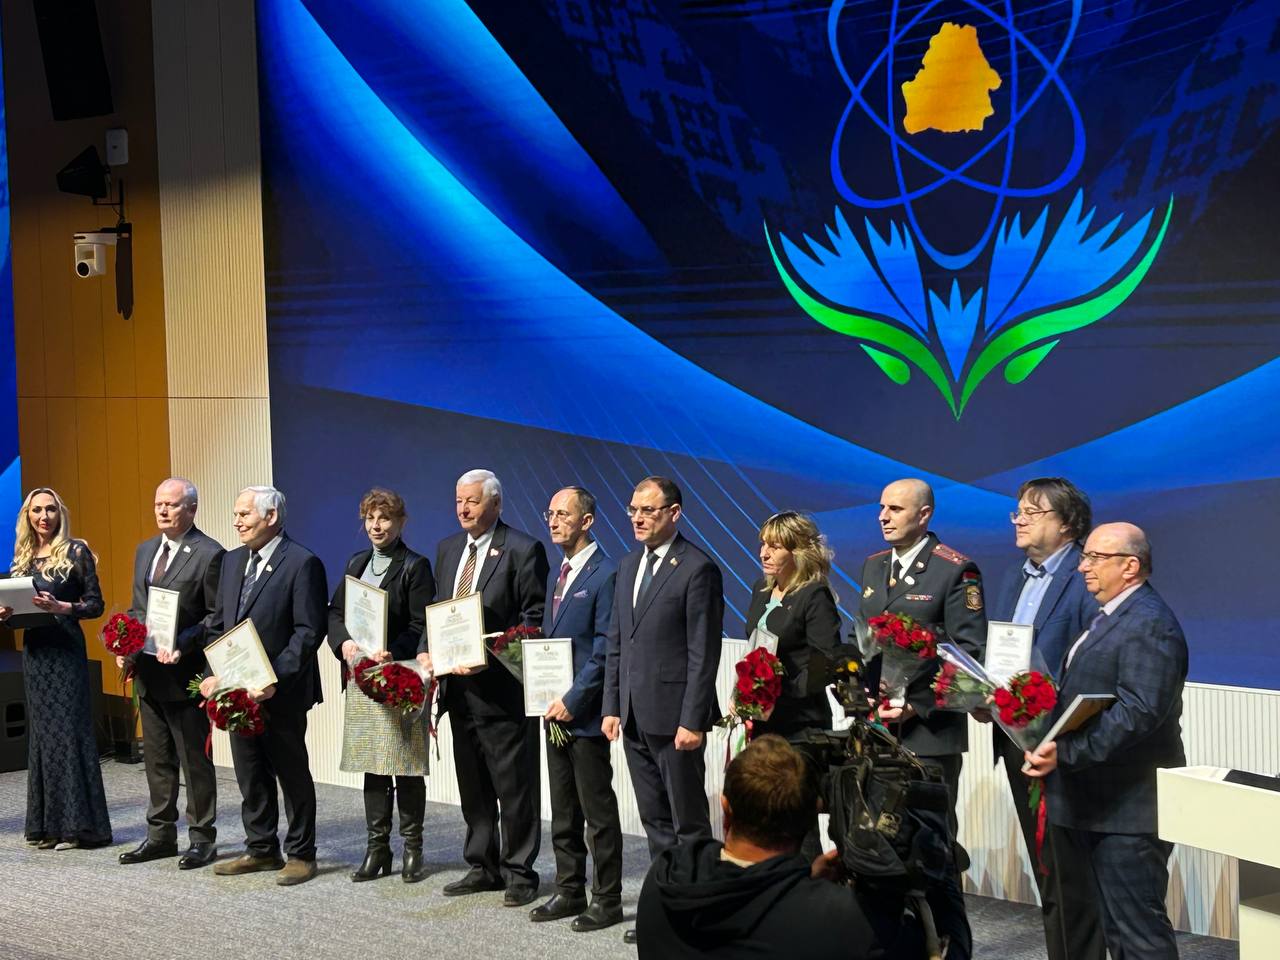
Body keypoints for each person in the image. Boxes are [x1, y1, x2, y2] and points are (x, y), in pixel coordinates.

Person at [1024, 522, 1186, 960]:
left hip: (1127, 811)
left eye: (1096, 558)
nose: (1084, 567)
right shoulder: (1111, 615)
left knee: (1137, 934)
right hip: (1096, 804)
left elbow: (1139, 713)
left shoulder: (1149, 623)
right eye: (1085, 557)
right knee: (1115, 930)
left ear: (1130, 566)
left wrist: (1065, 752)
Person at [857, 477, 983, 960]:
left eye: (895, 508)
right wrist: (863, 691)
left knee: (934, 852)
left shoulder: (955, 570)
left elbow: (969, 659)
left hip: (929, 737)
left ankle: (953, 948)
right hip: (880, 734)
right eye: (881, 507)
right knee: (882, 848)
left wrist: (918, 703)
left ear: (924, 515)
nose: (883, 516)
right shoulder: (873, 566)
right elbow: (866, 643)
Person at [416, 469, 549, 906]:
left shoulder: (523, 549)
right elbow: (437, 610)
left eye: (472, 501)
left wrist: (488, 654)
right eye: (458, 501)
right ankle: (482, 865)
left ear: (495, 504)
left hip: (501, 690)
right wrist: (425, 651)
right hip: (458, 689)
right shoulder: (448, 549)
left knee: (514, 787)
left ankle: (520, 873)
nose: (463, 509)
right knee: (473, 785)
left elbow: (533, 622)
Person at [603, 476, 723, 945]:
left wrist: (693, 719)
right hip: (633, 715)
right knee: (654, 821)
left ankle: (697, 916)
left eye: (648, 510)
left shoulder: (697, 568)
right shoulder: (628, 564)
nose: (637, 518)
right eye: (633, 509)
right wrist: (612, 705)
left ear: (674, 513)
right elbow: (618, 642)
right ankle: (667, 910)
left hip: (676, 721)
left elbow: (703, 653)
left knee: (687, 823)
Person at [636, 734, 883, 959]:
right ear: (810, 819)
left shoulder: (663, 880)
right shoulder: (838, 920)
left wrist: (801, 883)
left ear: (725, 808)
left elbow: (748, 896)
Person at [990, 478, 1104, 960]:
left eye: (1032, 512)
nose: (1019, 520)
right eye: (1017, 511)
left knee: (1072, 879)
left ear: (1067, 524)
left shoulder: (1086, 578)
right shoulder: (1015, 576)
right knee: (1047, 873)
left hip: (1062, 745)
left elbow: (1094, 664)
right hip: (1016, 738)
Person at [200, 485, 328, 886]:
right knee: (249, 772)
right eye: (236, 514)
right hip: (237, 691)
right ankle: (261, 849)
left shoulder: (302, 562)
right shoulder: (232, 560)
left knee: (291, 773)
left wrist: (272, 678)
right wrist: (213, 674)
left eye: (244, 514)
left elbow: (308, 632)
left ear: (270, 517)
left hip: (281, 692)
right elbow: (218, 624)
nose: (236, 522)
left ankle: (301, 854)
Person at [327, 488, 435, 882]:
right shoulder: (356, 563)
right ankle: (377, 849)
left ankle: (412, 849)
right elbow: (335, 613)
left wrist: (392, 652)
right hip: (363, 677)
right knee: (372, 767)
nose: (376, 525)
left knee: (404, 765)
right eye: (370, 518)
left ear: (401, 522)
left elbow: (421, 624)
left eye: (385, 518)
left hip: (399, 677)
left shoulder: (415, 566)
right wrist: (345, 644)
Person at [529, 485, 624, 931]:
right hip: (554, 712)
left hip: (584, 713)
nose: (553, 521)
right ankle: (569, 889)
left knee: (597, 812)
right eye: (550, 514)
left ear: (587, 521)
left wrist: (573, 700)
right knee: (563, 809)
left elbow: (605, 649)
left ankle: (607, 899)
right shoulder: (558, 571)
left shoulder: (607, 573)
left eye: (563, 514)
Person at [117, 477, 224, 869]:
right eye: (158, 503)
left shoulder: (210, 554)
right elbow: (138, 608)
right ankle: (160, 836)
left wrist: (183, 643)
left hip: (186, 674)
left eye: (172, 504)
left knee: (194, 762)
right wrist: (127, 646)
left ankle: (202, 838)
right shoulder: (146, 550)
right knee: (157, 760)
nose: (162, 510)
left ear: (191, 509)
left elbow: (215, 617)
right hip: (149, 672)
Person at [2, 488, 111, 850]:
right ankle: (48, 826)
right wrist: (6, 615)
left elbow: (95, 605)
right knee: (44, 738)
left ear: (59, 513)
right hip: (36, 653)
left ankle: (78, 828)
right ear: (27, 516)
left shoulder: (76, 551)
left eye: (50, 509)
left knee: (68, 734)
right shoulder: (22, 558)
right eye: (37, 510)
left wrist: (62, 607)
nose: (44, 516)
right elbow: (18, 613)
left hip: (65, 651)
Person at [742, 511, 842, 857]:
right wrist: (747, 696)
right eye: (763, 544)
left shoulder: (814, 595)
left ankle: (810, 886)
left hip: (801, 727)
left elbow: (824, 664)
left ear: (797, 551)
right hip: (764, 725)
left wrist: (778, 695)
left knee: (798, 822)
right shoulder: (760, 589)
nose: (764, 553)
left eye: (775, 546)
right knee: (770, 819)